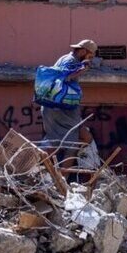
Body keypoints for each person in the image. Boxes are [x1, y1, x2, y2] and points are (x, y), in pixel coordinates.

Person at [41, 39, 97, 169]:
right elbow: (62, 78)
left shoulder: (68, 59)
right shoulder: (70, 61)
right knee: (67, 142)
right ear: (83, 51)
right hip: (60, 108)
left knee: (77, 140)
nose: (91, 59)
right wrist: (82, 69)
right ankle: (55, 173)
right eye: (90, 55)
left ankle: (55, 172)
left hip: (59, 107)